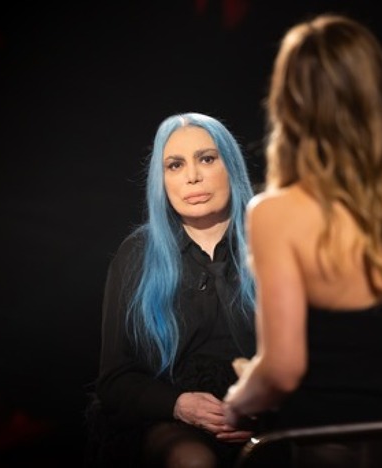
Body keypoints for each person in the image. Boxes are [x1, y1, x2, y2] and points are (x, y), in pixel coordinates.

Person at [223, 13, 382, 434]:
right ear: (381, 96)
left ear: (290, 106)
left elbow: (282, 370)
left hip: (309, 452)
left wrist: (237, 403)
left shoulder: (274, 214)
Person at [86, 112, 258, 468]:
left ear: (231, 167)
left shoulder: (272, 243)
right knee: (192, 461)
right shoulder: (137, 255)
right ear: (161, 180)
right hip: (171, 420)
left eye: (206, 159)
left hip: (267, 413)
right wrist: (179, 405)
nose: (192, 176)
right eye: (175, 165)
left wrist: (265, 407)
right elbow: (115, 379)